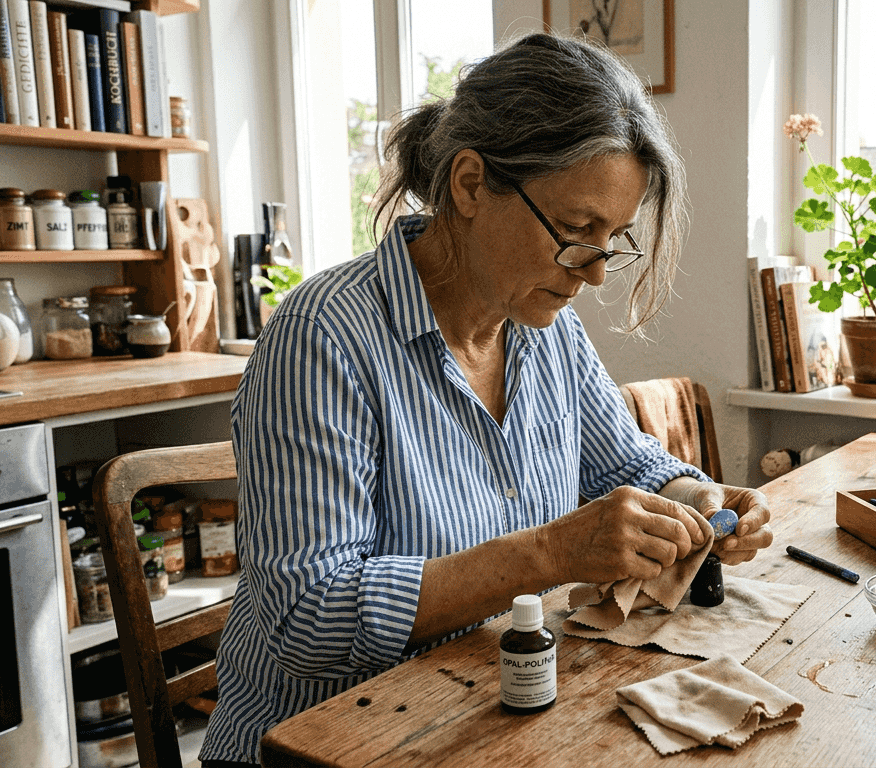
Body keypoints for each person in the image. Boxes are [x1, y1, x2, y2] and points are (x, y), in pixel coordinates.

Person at [199, 33, 772, 767]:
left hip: (485, 711)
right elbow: (307, 619)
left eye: (611, 240)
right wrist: (548, 552)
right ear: (470, 184)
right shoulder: (323, 340)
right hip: (317, 743)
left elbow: (622, 460)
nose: (594, 275)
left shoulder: (544, 327)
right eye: (574, 232)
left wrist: (698, 498)